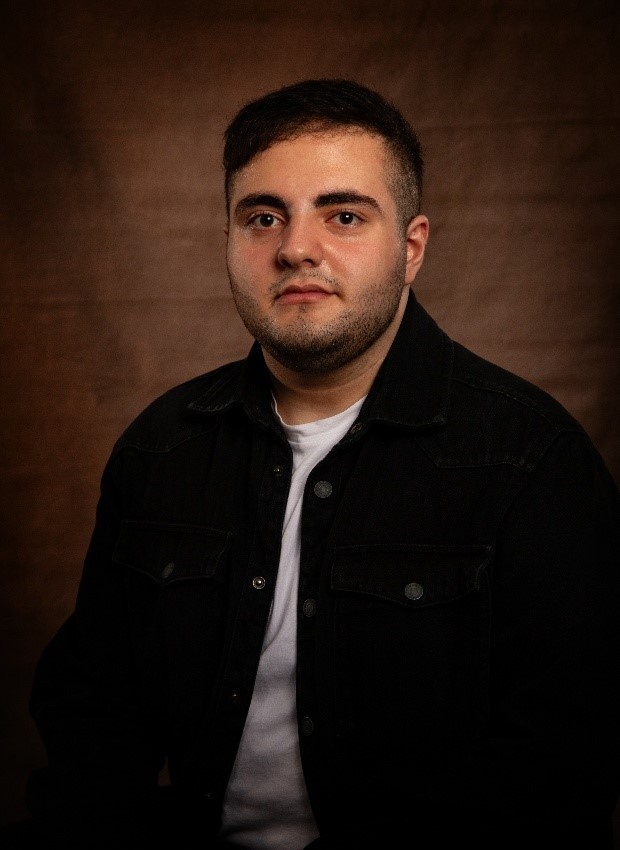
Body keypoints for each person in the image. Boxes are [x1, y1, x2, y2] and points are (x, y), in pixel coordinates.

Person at [17, 79, 620, 849]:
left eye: (343, 216)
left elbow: (561, 774)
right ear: (229, 239)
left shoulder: (531, 460)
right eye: (263, 217)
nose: (295, 248)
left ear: (412, 248)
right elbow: (93, 710)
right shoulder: (161, 448)